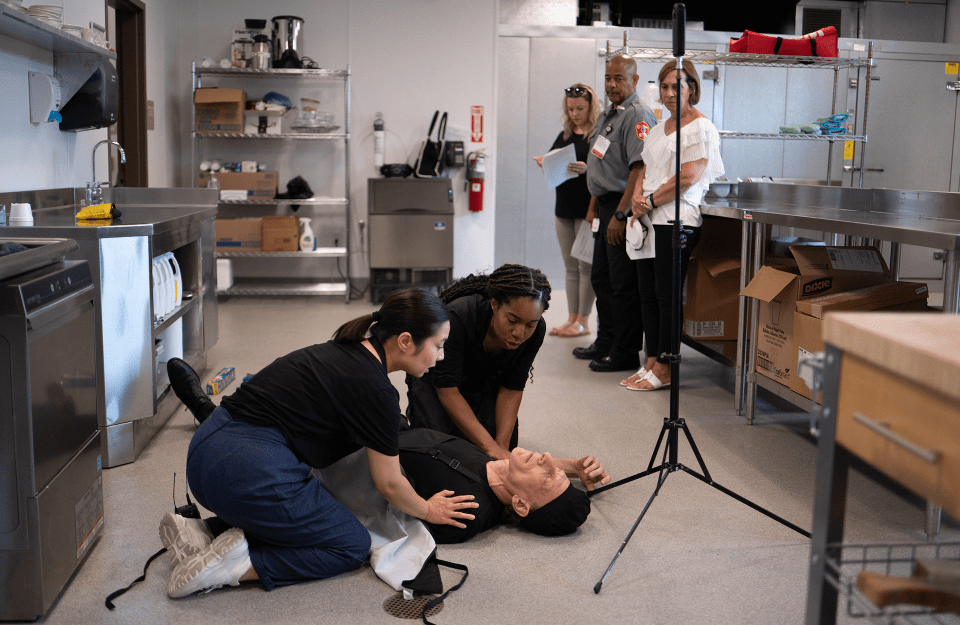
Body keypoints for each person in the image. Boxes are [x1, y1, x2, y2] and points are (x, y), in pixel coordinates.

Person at [159, 288, 479, 598]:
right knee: (349, 544)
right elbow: (391, 484)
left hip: (204, 454)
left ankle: (203, 533)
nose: (441, 355)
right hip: (242, 471)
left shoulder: (342, 349)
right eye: (439, 345)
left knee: (306, 509)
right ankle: (232, 569)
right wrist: (428, 509)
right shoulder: (377, 390)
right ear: (406, 341)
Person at [625, 60, 724, 391]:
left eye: (676, 86)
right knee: (647, 295)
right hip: (648, 219)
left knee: (666, 296)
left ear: (691, 88)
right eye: (664, 87)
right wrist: (638, 199)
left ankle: (666, 368)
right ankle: (651, 361)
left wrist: (649, 202)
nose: (669, 93)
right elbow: (643, 169)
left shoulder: (700, 128)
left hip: (675, 219)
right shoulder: (658, 128)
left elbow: (689, 176)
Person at [404, 264, 551, 461]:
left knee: (498, 449)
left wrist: (500, 446)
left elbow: (511, 388)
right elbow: (447, 390)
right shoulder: (458, 316)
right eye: (512, 320)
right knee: (439, 452)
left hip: (482, 380)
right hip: (436, 382)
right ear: (495, 304)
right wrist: (491, 448)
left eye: (529, 324)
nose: (519, 333)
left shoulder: (537, 331)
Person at [576, 54, 658, 373]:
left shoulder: (638, 114)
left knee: (622, 283)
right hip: (605, 204)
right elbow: (602, 162)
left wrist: (620, 214)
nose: (611, 84)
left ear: (635, 80)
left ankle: (624, 352)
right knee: (602, 278)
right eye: (608, 78)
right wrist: (595, 206)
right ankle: (606, 340)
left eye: (619, 78)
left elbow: (639, 168)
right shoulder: (611, 113)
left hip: (622, 208)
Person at [397, 428, 610, 543]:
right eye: (558, 471)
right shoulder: (500, 465)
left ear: (521, 505)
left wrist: (423, 511)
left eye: (547, 478)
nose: (547, 457)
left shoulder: (466, 513)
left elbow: (382, 517)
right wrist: (572, 466)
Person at [533, 83, 601, 338]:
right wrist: (544, 163)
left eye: (579, 109)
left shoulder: (597, 135)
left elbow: (609, 170)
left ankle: (584, 320)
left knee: (586, 267)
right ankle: (572, 318)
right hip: (563, 208)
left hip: (588, 210)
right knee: (570, 267)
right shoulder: (564, 134)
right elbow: (553, 163)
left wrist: (588, 170)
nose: (574, 114)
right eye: (570, 109)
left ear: (590, 107)